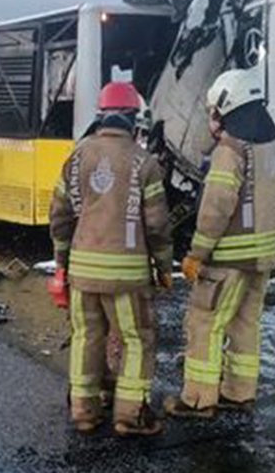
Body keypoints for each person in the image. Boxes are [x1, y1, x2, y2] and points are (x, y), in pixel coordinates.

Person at [50, 82, 172, 436]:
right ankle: (130, 416)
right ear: (133, 118)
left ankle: (85, 412)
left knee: (87, 336)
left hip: (83, 272)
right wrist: (164, 266)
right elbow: (157, 225)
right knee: (137, 339)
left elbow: (60, 214)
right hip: (128, 276)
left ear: (101, 116)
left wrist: (62, 259)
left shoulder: (77, 157)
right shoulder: (143, 161)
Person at [166, 66, 275, 418]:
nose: (212, 120)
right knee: (247, 324)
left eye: (214, 112)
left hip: (228, 261)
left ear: (227, 106)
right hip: (263, 259)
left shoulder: (229, 150)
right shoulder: (272, 148)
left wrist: (197, 254)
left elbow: (216, 207)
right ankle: (239, 393)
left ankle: (199, 399)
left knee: (206, 322)